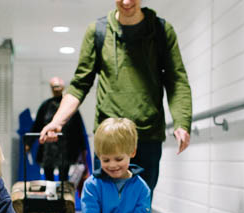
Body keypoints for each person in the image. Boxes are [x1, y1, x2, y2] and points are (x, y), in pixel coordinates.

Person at [38, 0, 192, 198]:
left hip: (147, 135)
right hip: (108, 136)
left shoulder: (161, 31)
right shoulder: (98, 31)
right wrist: (56, 122)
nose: (126, 2)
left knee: (139, 207)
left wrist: (182, 121)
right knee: (104, 206)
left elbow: (176, 80)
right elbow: (79, 83)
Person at [29, 77, 87, 182]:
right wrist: (28, 143)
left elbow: (79, 130)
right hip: (48, 148)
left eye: (58, 86)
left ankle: (63, 195)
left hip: (66, 147)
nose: (56, 89)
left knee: (64, 177)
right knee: (48, 176)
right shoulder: (45, 106)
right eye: (54, 86)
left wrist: (83, 149)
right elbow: (37, 125)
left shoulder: (70, 108)